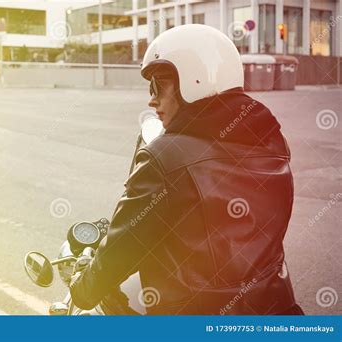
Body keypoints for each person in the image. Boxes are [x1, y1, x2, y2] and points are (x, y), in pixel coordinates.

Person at [70, 24, 303, 315]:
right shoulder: (272, 141)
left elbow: (122, 249)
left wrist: (81, 292)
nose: (151, 99)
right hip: (276, 307)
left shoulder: (165, 158)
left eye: (159, 84)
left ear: (194, 81)